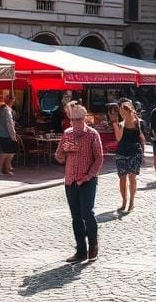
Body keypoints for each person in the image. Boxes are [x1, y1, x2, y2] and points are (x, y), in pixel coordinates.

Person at [55, 101, 103, 264]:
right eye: (73, 120)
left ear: (84, 119)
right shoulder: (67, 134)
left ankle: (93, 245)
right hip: (70, 180)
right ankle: (80, 250)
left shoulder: (92, 134)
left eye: (78, 119)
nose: (75, 123)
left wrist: (88, 176)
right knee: (76, 216)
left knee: (87, 212)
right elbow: (59, 156)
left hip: (87, 179)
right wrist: (64, 152)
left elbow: (99, 159)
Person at [112, 100, 144, 213]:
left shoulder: (138, 123)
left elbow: (142, 137)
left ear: (128, 111)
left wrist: (142, 152)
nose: (121, 113)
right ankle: (124, 201)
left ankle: (131, 202)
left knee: (132, 177)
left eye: (122, 111)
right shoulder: (121, 124)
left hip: (134, 152)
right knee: (122, 178)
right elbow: (118, 139)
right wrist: (116, 125)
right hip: (122, 152)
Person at [0, 94, 18, 176]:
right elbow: (9, 124)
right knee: (4, 153)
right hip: (5, 134)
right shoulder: (7, 110)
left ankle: (6, 169)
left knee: (9, 152)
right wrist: (13, 135)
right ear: (11, 100)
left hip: (1, 133)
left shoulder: (1, 109)